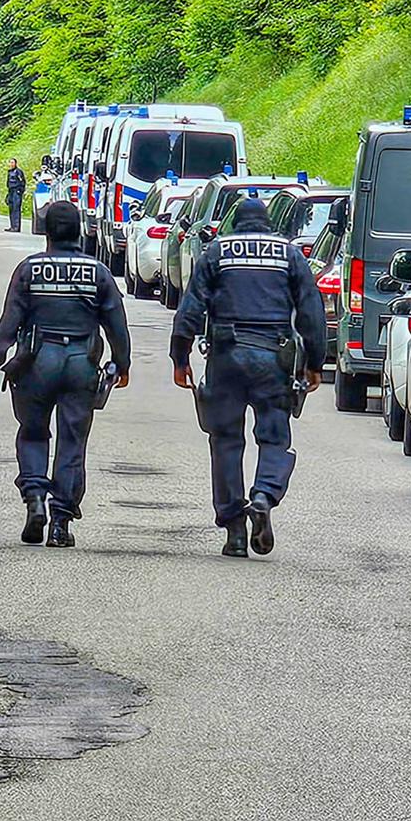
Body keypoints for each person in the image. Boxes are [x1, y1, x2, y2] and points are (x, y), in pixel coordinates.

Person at [170, 197, 325, 558]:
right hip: (274, 357)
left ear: (236, 223)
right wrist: (315, 362)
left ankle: (235, 531)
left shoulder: (217, 252)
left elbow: (191, 306)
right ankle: (264, 496)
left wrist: (180, 356)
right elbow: (311, 310)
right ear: (268, 223)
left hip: (226, 356)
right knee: (274, 437)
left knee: (225, 440)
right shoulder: (289, 255)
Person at [0, 201, 131, 548]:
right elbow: (116, 324)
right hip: (81, 363)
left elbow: (10, 321)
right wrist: (121, 364)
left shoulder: (29, 269)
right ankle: (60, 523)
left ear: (46, 232)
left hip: (35, 363)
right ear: (79, 231)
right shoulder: (98, 272)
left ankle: (35, 497)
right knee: (72, 441)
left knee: (33, 433)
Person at [5, 158, 27, 233]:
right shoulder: (9, 172)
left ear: (15, 163)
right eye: (10, 163)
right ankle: (12, 226)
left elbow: (22, 182)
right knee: (11, 208)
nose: (11, 164)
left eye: (12, 162)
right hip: (11, 191)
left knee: (16, 209)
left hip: (16, 191)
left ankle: (16, 227)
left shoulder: (18, 172)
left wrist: (20, 190)